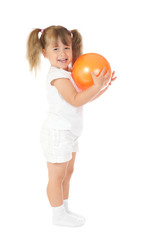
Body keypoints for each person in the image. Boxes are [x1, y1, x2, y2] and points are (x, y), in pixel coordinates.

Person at [26, 25, 116, 227]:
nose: (63, 53)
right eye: (55, 49)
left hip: (69, 134)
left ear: (73, 48)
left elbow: (83, 98)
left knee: (68, 172)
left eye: (66, 47)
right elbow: (76, 99)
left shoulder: (69, 73)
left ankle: (64, 209)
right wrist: (96, 86)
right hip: (57, 133)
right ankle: (57, 215)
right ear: (44, 53)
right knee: (57, 176)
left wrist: (102, 87)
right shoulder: (57, 76)